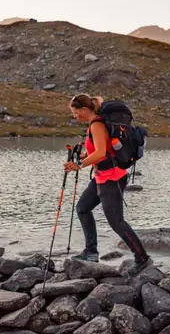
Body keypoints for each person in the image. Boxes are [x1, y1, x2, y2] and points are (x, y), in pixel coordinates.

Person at [64, 93, 151, 272]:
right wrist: (84, 156)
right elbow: (101, 150)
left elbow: (101, 153)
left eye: (75, 112)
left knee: (116, 221)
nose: (75, 116)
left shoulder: (97, 124)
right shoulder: (95, 124)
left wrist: (79, 164)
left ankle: (143, 258)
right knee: (83, 208)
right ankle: (91, 251)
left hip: (111, 177)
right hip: (102, 175)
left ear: (84, 109)